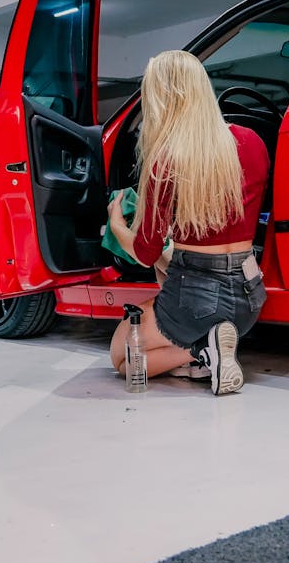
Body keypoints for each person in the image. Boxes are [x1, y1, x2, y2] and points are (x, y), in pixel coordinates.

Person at [106, 50, 269, 395]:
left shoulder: (166, 159)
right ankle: (204, 356)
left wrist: (117, 224)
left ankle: (201, 348)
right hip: (248, 296)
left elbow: (145, 253)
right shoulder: (253, 142)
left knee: (122, 359)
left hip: (198, 299)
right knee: (173, 262)